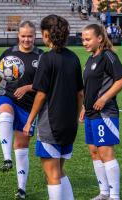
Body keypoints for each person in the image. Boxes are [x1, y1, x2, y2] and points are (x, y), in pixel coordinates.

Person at [23, 14, 84, 200]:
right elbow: (80, 94)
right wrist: (74, 117)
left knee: (52, 174)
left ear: (47, 34)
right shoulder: (73, 58)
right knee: (59, 170)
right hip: (69, 124)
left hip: (50, 123)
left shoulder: (46, 59)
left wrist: (29, 121)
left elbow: (40, 94)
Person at [0, 21, 43, 199]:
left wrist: (28, 87)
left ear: (35, 36)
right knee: (5, 113)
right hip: (7, 96)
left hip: (29, 106)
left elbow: (45, 85)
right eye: (23, 36)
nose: (26, 39)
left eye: (30, 36)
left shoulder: (41, 56)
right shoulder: (9, 53)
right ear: (18, 36)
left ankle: (21, 188)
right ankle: (7, 158)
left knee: (22, 147)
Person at [80, 24, 122, 200]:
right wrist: (84, 107)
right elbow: (89, 88)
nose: (84, 42)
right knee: (94, 152)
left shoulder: (108, 56)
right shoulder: (91, 59)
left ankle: (114, 196)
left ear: (99, 38)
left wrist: (104, 98)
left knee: (106, 153)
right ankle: (104, 193)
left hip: (105, 113)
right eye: (83, 39)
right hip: (91, 114)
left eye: (87, 39)